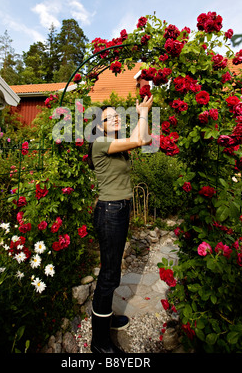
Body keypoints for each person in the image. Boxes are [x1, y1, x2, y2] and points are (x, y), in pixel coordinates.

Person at [87, 95, 153, 354]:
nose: (114, 118)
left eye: (116, 115)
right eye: (108, 117)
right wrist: (145, 114)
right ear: (99, 125)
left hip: (119, 210)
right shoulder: (101, 143)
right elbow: (139, 139)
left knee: (112, 269)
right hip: (110, 212)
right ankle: (99, 343)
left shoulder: (116, 142)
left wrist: (141, 114)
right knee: (109, 275)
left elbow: (144, 139)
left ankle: (106, 316)